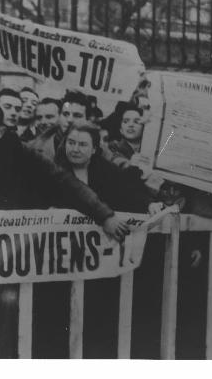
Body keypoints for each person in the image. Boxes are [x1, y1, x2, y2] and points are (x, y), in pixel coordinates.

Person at [0, 102, 133, 358]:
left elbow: (62, 180)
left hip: (6, 262)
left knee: (5, 328)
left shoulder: (18, 151)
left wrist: (104, 216)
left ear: (1, 131)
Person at [55, 122, 162, 358]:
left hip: (100, 262)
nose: (75, 149)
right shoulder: (55, 169)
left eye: (83, 144)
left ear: (94, 148)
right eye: (71, 143)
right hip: (64, 262)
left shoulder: (105, 170)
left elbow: (130, 189)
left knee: (100, 317)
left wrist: (149, 204)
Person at [28, 89, 89, 161]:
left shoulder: (97, 150)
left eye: (77, 115)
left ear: (88, 120)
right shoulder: (34, 148)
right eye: (65, 114)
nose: (69, 120)